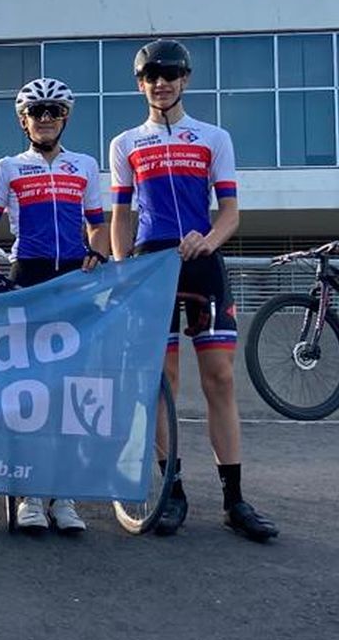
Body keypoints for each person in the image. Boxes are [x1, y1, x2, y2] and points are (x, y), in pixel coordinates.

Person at [109, 38, 279, 543]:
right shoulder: (125, 144)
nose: (160, 83)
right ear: (140, 84)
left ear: (185, 79)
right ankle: (172, 490)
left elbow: (230, 211)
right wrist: (123, 271)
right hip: (151, 264)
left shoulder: (213, 137)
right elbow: (121, 217)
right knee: (162, 378)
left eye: (170, 73)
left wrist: (208, 240)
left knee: (220, 379)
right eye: (150, 75)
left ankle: (234, 500)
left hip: (203, 261)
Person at [0, 77, 109, 535]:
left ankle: (64, 494)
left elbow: (97, 226)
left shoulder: (85, 166)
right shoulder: (8, 167)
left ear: (65, 117)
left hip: (72, 280)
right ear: (23, 120)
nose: (46, 118)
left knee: (68, 390)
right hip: (28, 278)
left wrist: (98, 249)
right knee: (30, 390)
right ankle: (30, 494)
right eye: (37, 112)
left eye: (54, 111)